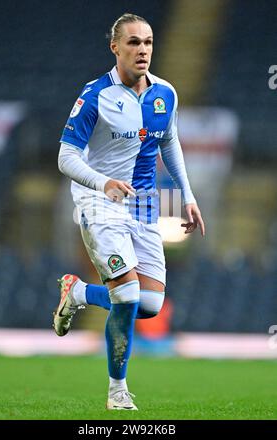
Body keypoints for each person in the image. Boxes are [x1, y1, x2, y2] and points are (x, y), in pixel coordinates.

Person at [53, 13, 205, 411]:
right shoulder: (95, 95)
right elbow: (65, 157)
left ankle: (79, 293)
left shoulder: (165, 94)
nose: (143, 50)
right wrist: (102, 183)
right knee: (127, 295)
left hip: (145, 204)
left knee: (151, 304)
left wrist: (187, 196)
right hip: (100, 202)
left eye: (149, 42)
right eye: (134, 42)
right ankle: (117, 391)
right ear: (115, 47)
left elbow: (169, 143)